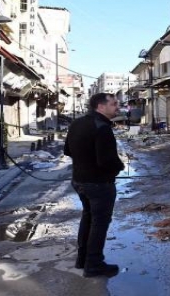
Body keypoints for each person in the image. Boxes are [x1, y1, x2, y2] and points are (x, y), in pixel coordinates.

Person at [64, 93, 125, 278]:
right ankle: (94, 264)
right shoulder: (102, 127)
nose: (117, 107)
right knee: (99, 224)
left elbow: (67, 150)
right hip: (98, 184)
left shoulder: (77, 123)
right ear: (101, 106)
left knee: (88, 218)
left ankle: (82, 259)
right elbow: (106, 161)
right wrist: (120, 167)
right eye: (114, 104)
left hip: (79, 181)